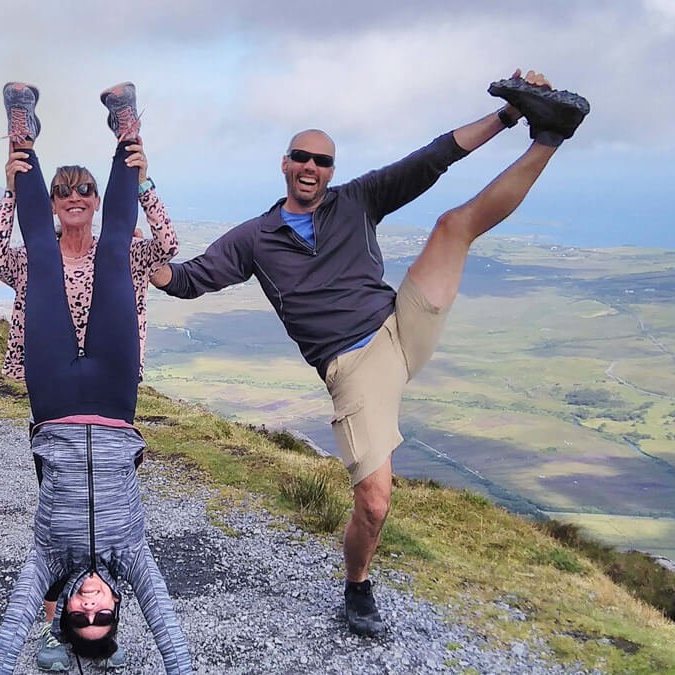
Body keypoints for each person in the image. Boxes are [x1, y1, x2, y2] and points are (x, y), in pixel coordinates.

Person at [150, 70, 589, 637]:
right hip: (353, 367)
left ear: (331, 171)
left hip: (399, 324)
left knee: (453, 225)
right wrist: (146, 267)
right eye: (301, 157)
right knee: (376, 503)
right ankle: (358, 585)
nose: (311, 167)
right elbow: (189, 280)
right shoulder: (254, 238)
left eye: (322, 161)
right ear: (284, 164)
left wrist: (507, 116)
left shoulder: (356, 200)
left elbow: (432, 159)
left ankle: (550, 135)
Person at [0, 82, 192, 675]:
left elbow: (8, 638)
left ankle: (20, 124)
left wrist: (10, 183)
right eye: (105, 615)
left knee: (41, 254)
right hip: (112, 394)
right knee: (112, 251)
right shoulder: (135, 559)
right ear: (118, 606)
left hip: (51, 395)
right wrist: (144, 176)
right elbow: (169, 631)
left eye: (82, 615)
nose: (94, 605)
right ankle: (126, 126)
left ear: (66, 610)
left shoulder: (47, 559)